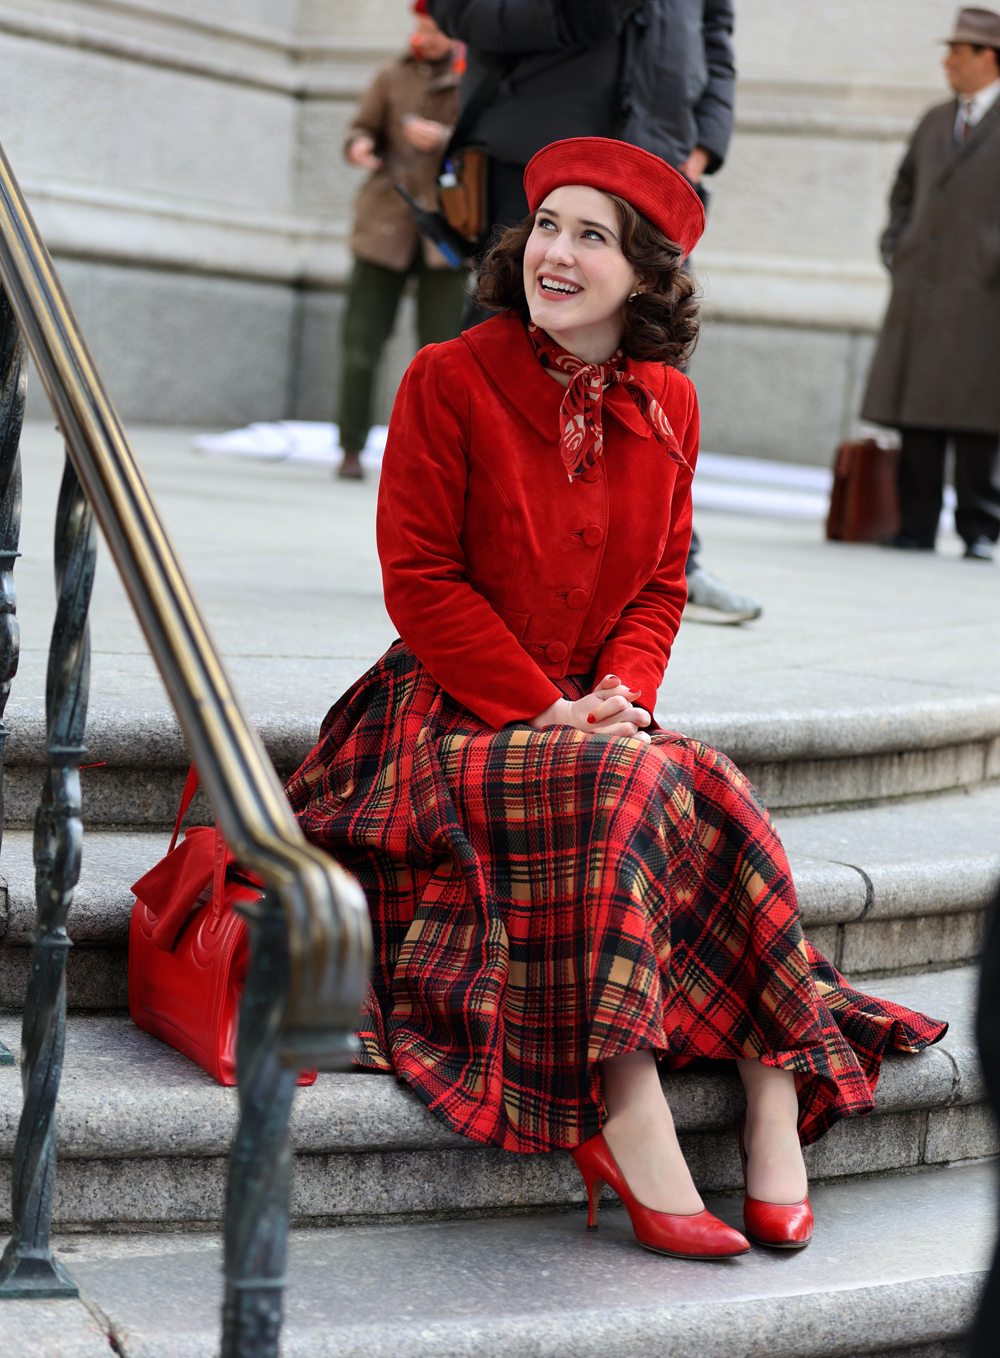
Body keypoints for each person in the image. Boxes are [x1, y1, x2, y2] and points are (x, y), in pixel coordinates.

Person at [287, 138, 946, 1260]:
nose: (554, 250)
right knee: (631, 782)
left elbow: (657, 580)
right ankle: (630, 1109)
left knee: (702, 781)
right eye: (545, 225)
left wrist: (621, 691)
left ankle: (770, 1093)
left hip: (592, 719)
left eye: (591, 236)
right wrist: (546, 710)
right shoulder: (449, 377)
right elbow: (423, 583)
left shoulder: (671, 403)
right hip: (443, 721)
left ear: (645, 272)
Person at [427, 0, 762, 624]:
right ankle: (474, 558)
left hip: (657, 157)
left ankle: (665, 563)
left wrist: (703, 142)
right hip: (536, 144)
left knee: (649, 356)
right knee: (506, 349)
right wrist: (573, 15)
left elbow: (715, 30)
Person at [861, 7, 1000, 561]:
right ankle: (915, 524)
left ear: (989, 58)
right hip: (921, 283)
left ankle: (980, 527)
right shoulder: (934, 117)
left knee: (978, 411)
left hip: (985, 291)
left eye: (958, 53)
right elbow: (905, 190)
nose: (947, 62)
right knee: (915, 407)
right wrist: (897, 245)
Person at [336, 0, 469, 480]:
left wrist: (445, 138)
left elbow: (480, 143)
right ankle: (351, 446)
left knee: (441, 354)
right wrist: (359, 145)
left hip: (443, 232)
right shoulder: (391, 76)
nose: (426, 36)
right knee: (360, 341)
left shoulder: (472, 77)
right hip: (385, 223)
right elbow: (361, 126)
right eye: (421, 28)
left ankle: (431, 462)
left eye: (434, 28)